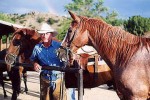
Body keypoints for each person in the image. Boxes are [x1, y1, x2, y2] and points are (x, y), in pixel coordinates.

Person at [30, 23, 67, 100]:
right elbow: (32, 59)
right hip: (44, 78)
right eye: (42, 34)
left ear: (51, 35)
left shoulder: (59, 46)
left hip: (58, 79)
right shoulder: (37, 47)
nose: (44, 35)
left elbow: (67, 60)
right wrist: (35, 63)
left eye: (47, 33)